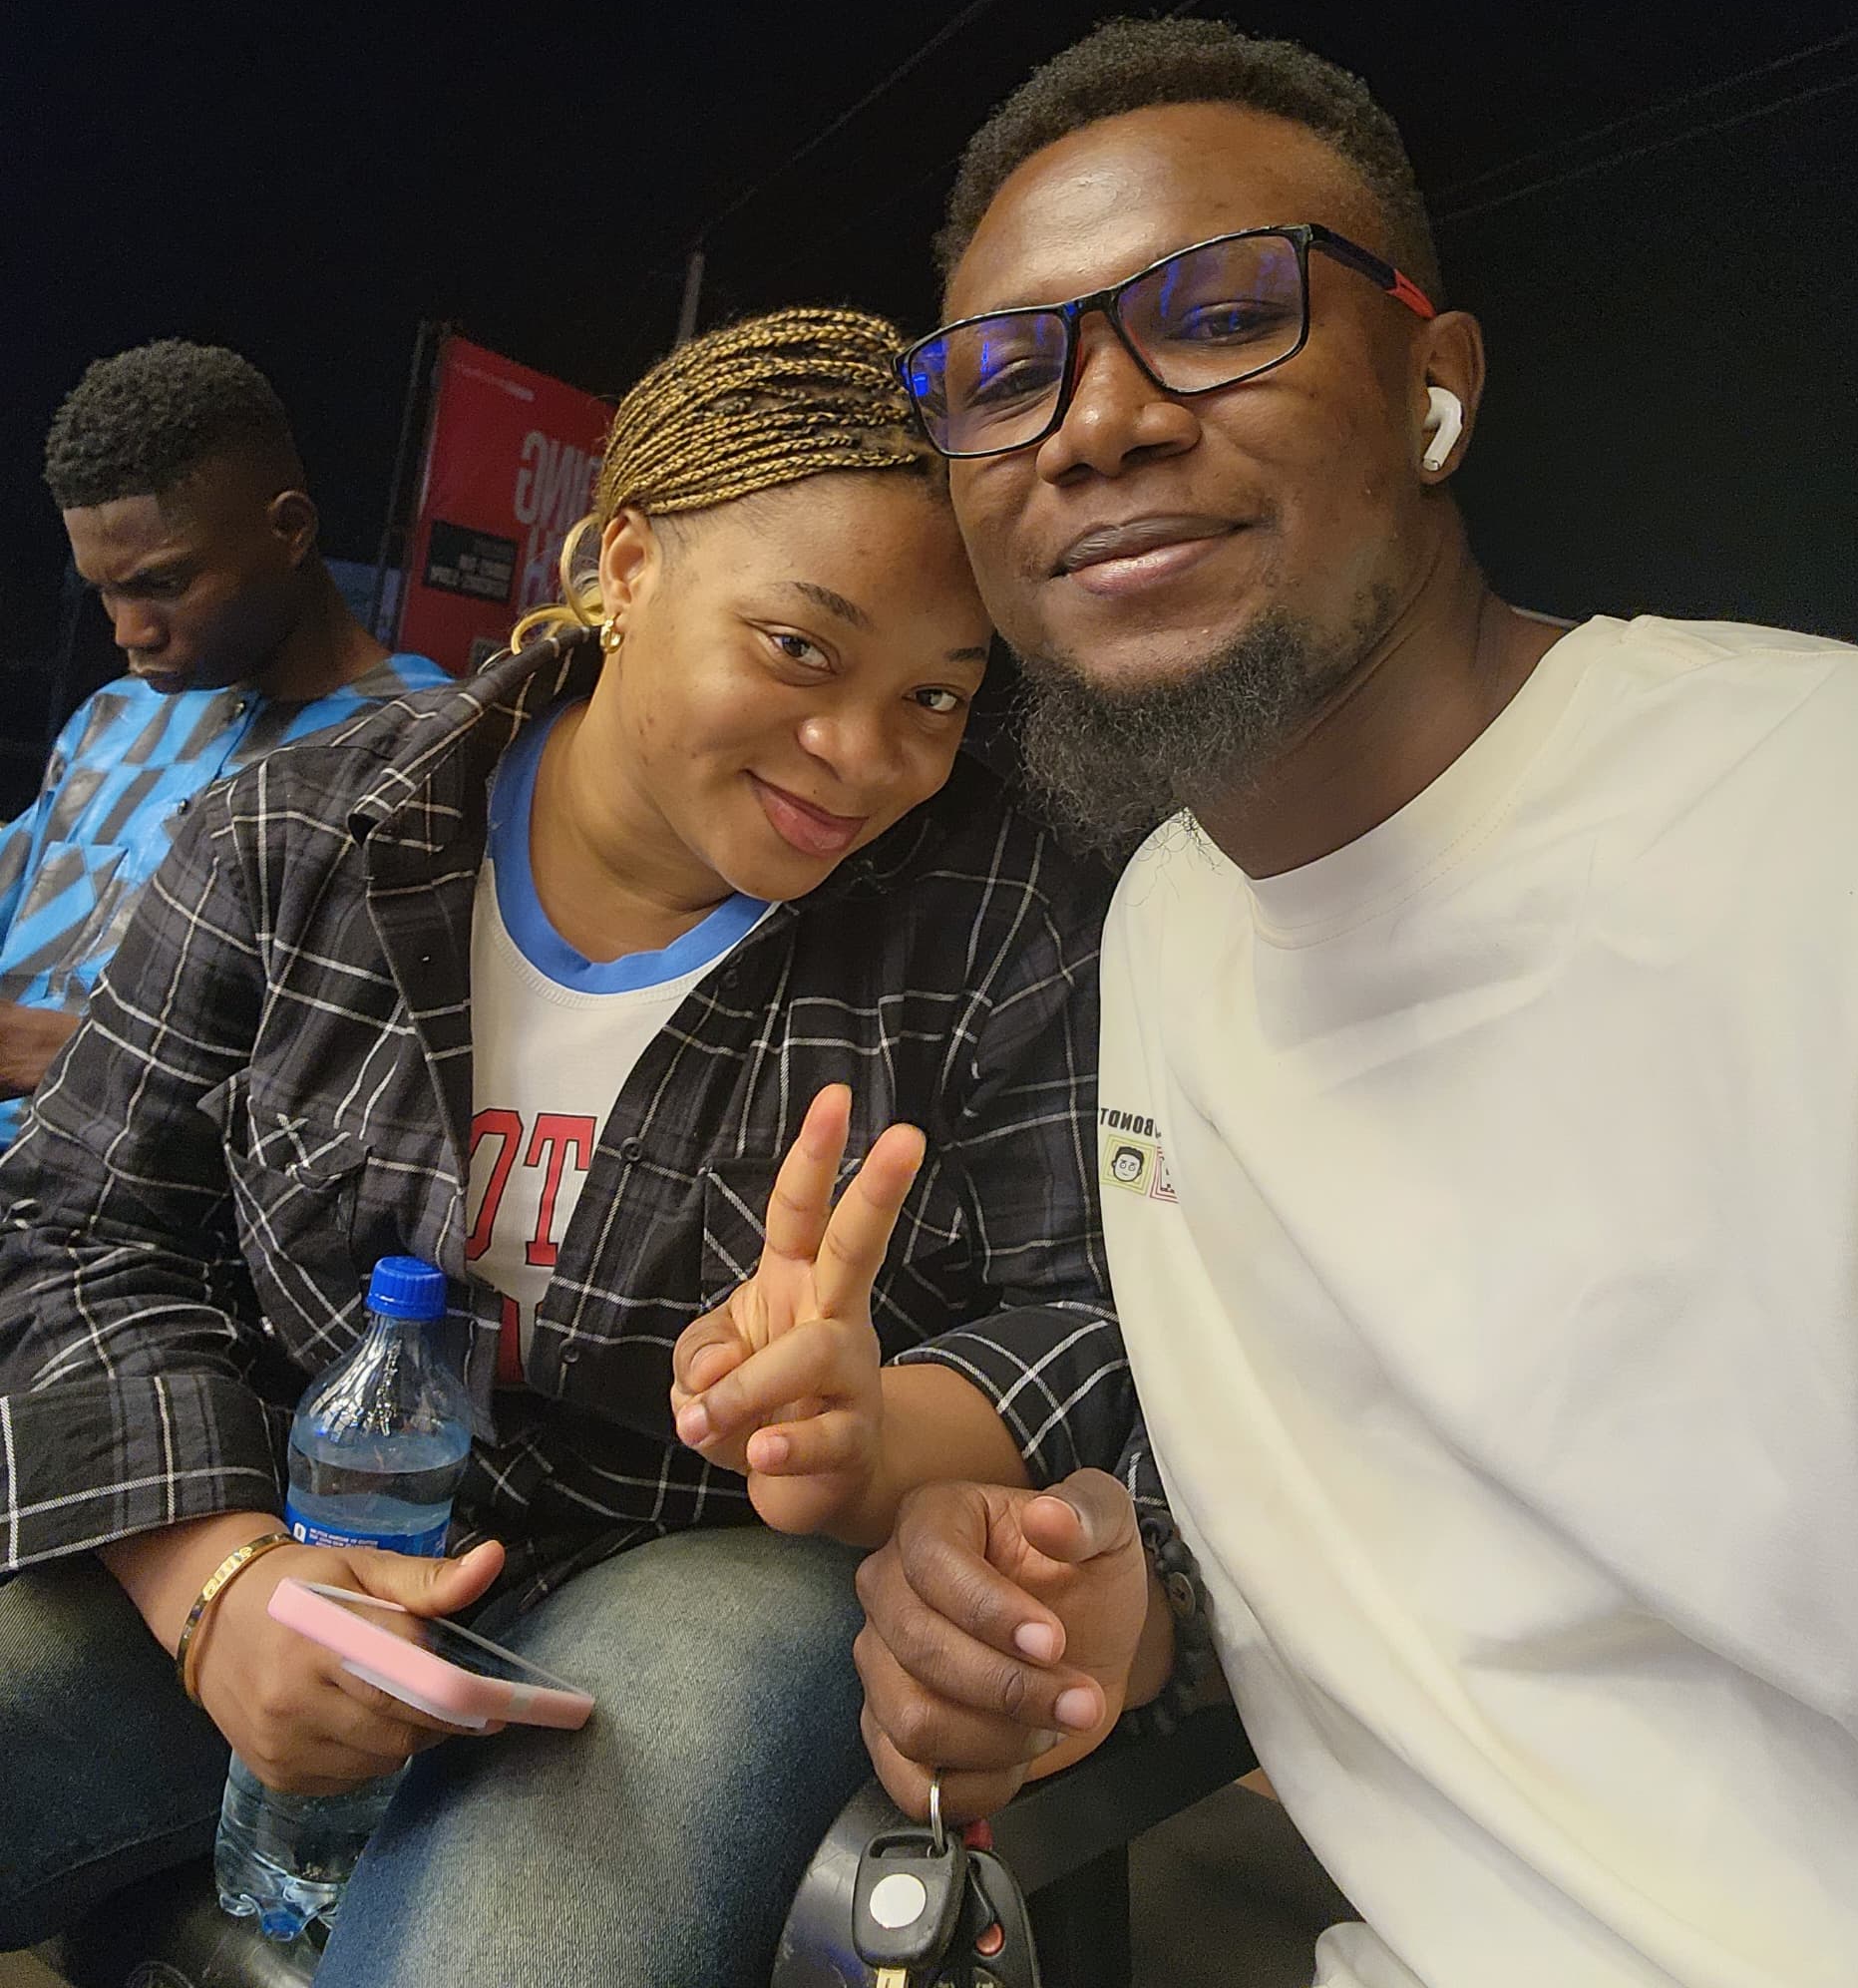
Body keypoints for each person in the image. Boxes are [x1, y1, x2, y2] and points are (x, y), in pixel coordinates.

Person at [855, 17, 1858, 1988]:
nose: (1096, 423)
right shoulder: (1170, 925)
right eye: (1003, 376)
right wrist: (1132, 1608)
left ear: (1439, 385)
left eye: (1218, 313)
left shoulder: (1852, 846)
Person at [0, 307, 1125, 1988]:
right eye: (799, 649)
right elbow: (83, 1219)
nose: (862, 754)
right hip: (284, 1510)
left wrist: (871, 1431)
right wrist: (218, 1584)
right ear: (628, 563)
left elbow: (1080, 1311)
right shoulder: (297, 837)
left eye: (936, 697)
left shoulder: (995, 919)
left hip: (699, 1567)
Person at [0, 338, 445, 1148]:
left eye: (164, 583)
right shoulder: (113, 715)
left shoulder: (421, 753)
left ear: (290, 529)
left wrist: (91, 1057)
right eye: (104, 592)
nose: (130, 632)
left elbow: (385, 1089)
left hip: (153, 1210)